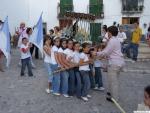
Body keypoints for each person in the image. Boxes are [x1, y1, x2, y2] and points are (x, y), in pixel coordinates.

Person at [96, 26, 125, 102]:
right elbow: (110, 52)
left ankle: (115, 99)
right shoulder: (116, 40)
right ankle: (111, 94)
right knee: (113, 80)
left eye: (108, 32)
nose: (107, 34)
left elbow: (106, 52)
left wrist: (96, 53)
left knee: (113, 82)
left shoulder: (112, 41)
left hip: (114, 64)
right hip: (118, 62)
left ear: (110, 32)